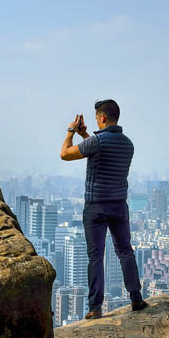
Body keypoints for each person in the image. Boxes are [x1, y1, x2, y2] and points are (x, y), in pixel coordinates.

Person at [59, 99, 147, 317]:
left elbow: (65, 154)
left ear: (103, 117)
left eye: (97, 118)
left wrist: (71, 131)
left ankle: (95, 308)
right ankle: (136, 297)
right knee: (125, 251)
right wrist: (84, 135)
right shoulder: (127, 144)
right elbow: (100, 150)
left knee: (96, 256)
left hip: (96, 206)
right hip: (118, 205)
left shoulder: (97, 141)